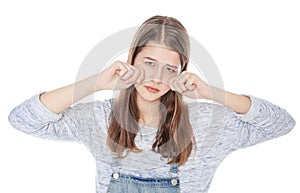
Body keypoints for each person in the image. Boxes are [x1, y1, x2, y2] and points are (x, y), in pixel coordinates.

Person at [8, 15, 295, 193]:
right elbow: (23, 119)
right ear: (131, 60)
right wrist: (97, 82)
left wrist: (211, 92)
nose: (157, 77)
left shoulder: (207, 121)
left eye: (170, 69)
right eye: (149, 63)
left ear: (182, 71)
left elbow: (282, 124)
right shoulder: (101, 117)